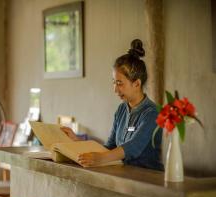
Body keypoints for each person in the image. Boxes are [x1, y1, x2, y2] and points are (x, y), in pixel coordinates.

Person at [61, 39, 163, 171]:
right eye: (114, 82)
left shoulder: (152, 113)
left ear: (137, 84)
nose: (115, 89)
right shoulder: (121, 110)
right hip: (124, 176)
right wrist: (76, 140)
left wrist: (100, 159)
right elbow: (108, 147)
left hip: (149, 180)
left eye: (120, 83)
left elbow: (133, 147)